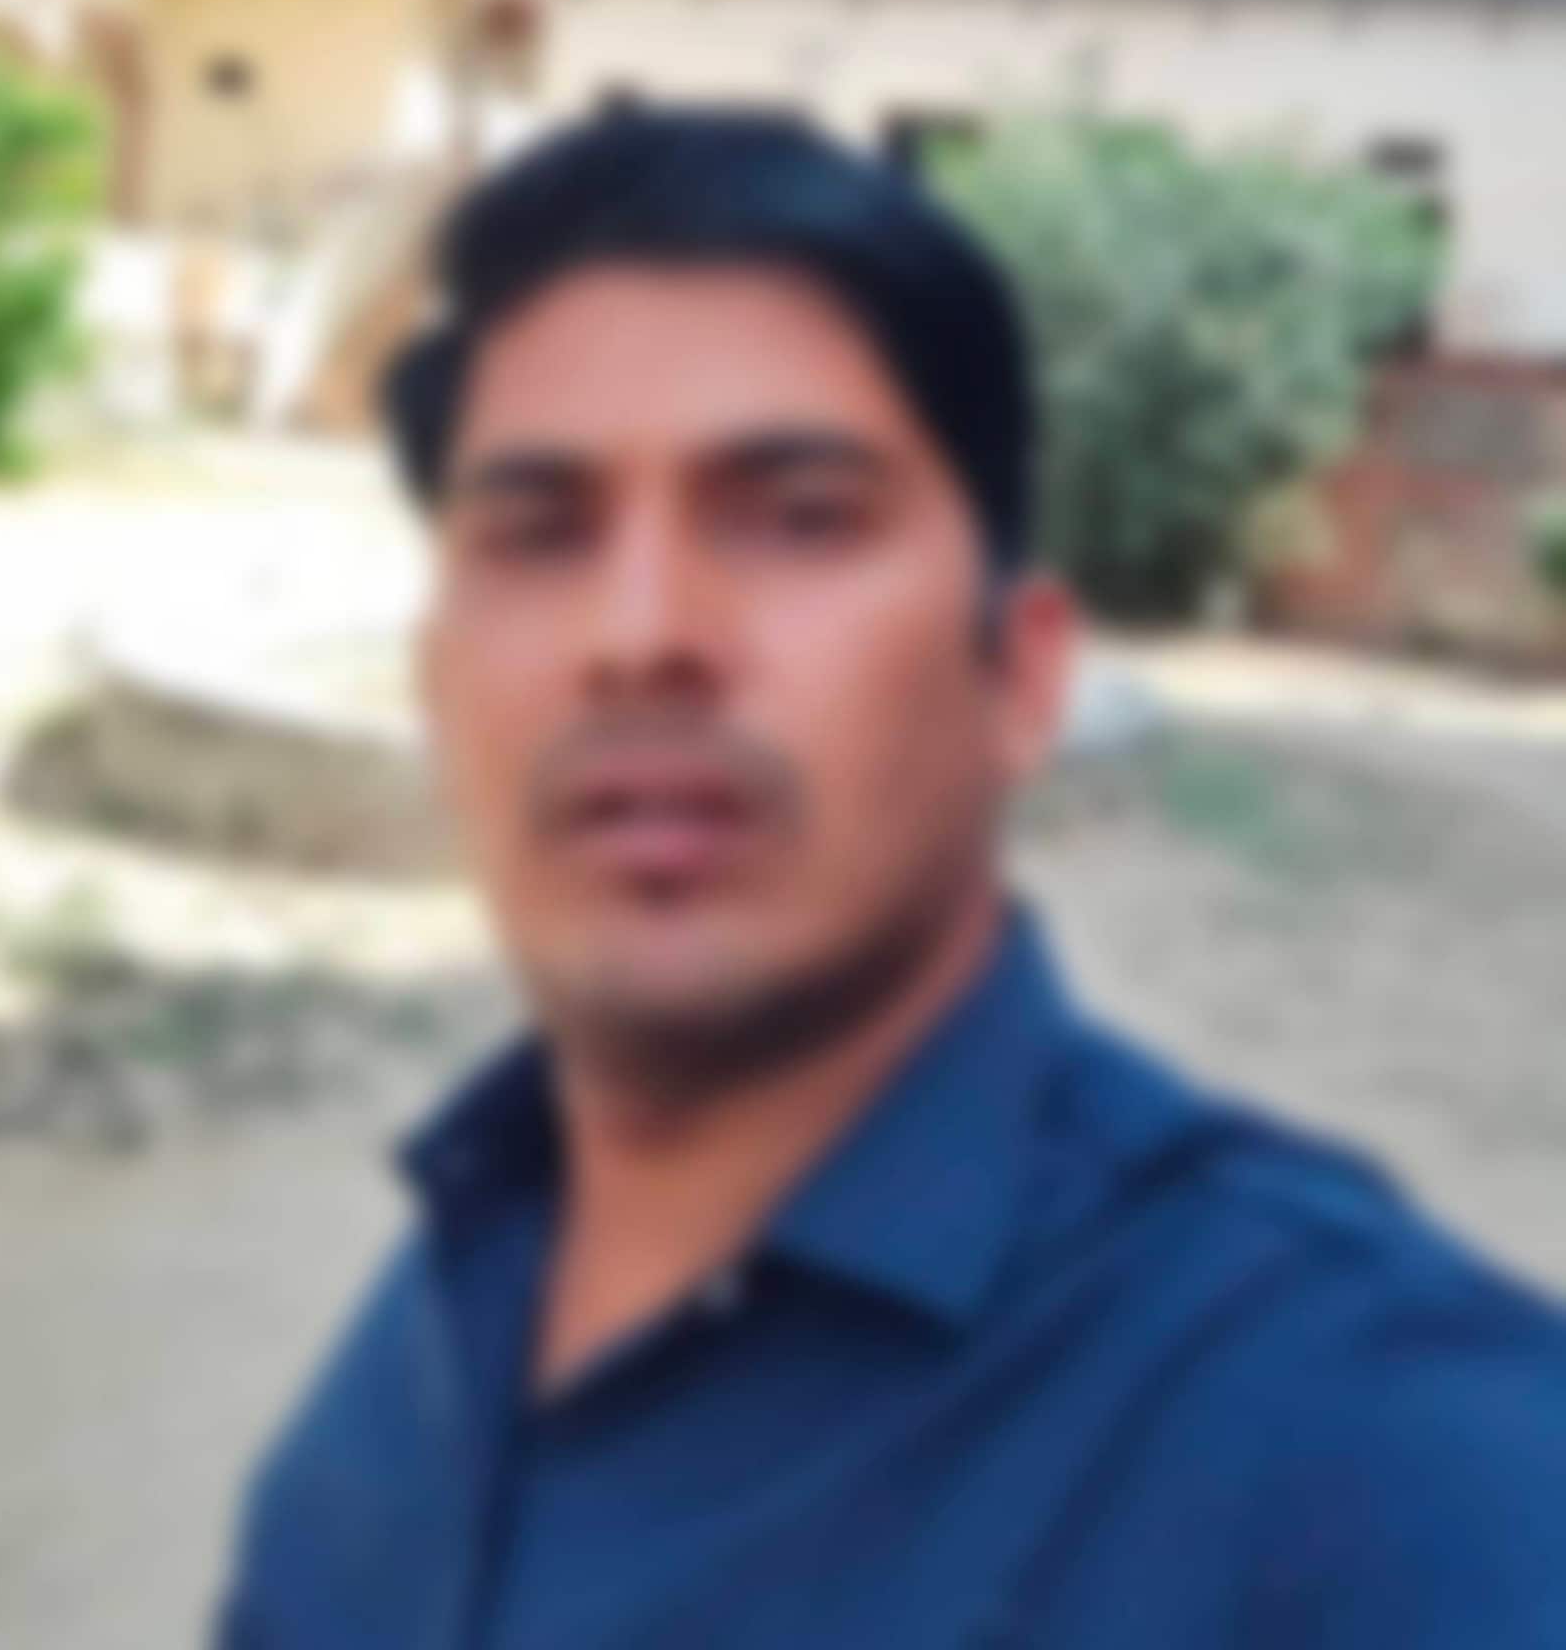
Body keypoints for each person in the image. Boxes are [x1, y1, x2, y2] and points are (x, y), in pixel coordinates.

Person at [218, 108, 1566, 1649]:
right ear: (434, 680)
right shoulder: (446, 1298)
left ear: (1021, 678)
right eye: (537, 534)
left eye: (801, 520)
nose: (640, 634)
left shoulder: (1382, 1455)